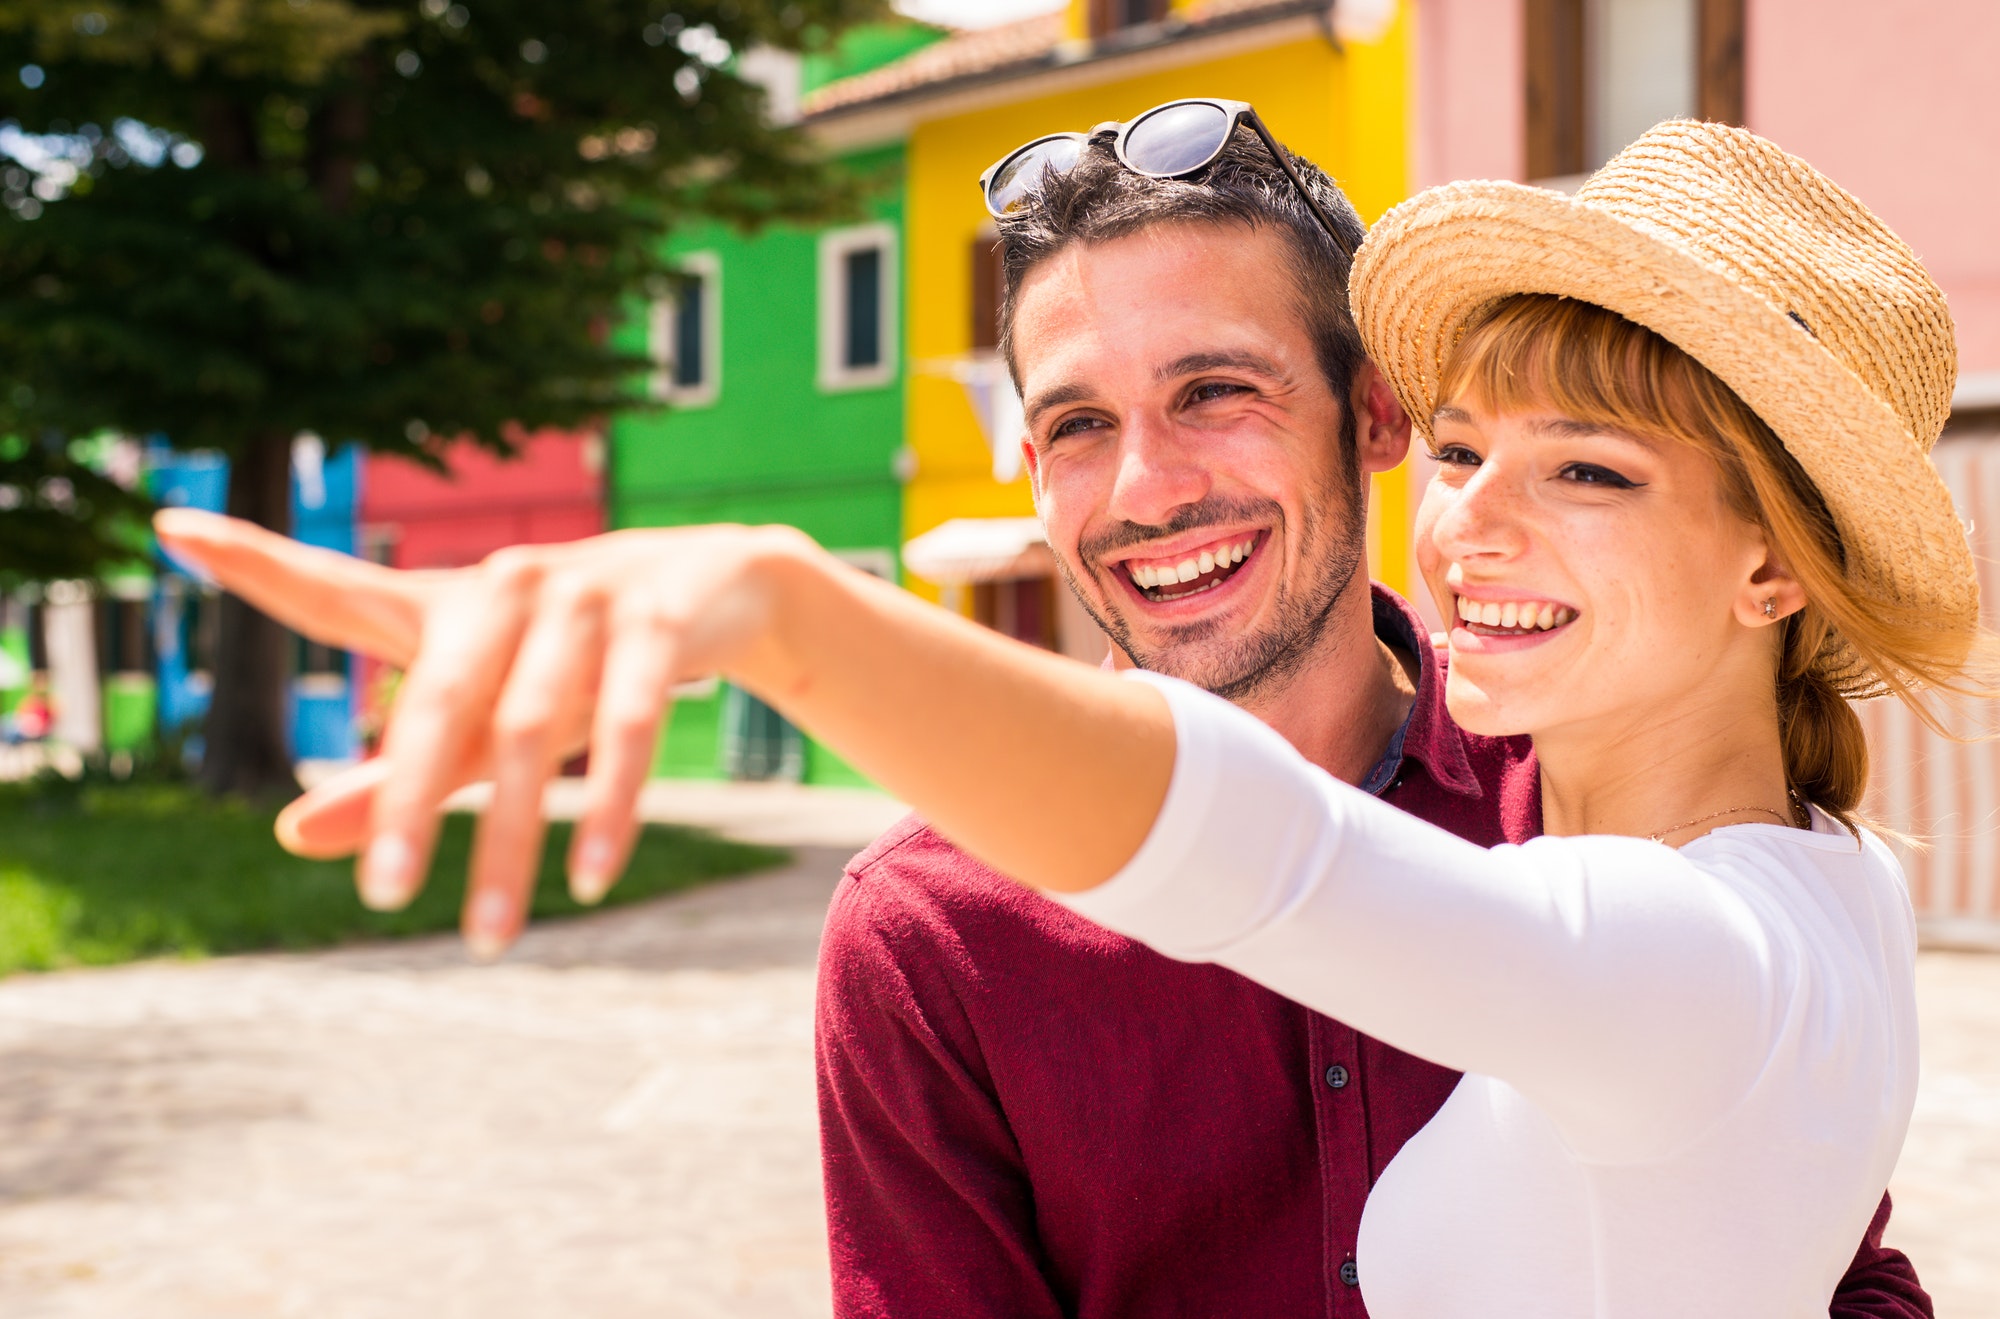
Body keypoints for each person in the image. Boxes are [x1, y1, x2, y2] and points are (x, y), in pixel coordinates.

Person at [152, 118, 1968, 1313]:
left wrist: (788, 614)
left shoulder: (1592, 817)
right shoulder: (932, 935)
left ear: (1366, 417)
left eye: (1218, 389)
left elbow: (1263, 858)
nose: (1148, 484)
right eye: (1078, 423)